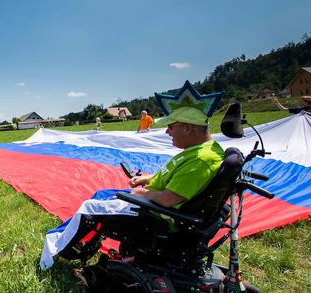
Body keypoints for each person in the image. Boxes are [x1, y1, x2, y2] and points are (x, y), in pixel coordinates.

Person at [42, 82, 226, 269]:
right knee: (101, 194)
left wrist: (142, 194)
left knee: (90, 207)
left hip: (155, 213)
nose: (167, 131)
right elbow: (175, 178)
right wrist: (148, 179)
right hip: (154, 205)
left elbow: (169, 199)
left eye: (171, 126)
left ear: (187, 128)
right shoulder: (201, 150)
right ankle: (77, 239)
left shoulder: (200, 160)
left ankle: (57, 245)